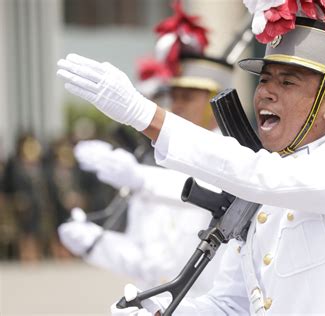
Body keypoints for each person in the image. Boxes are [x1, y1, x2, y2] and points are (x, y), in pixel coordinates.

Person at [57, 1, 325, 314]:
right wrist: (159, 310)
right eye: (264, 80)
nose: (266, 91)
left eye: (288, 82)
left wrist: (147, 116)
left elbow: (266, 177)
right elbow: (230, 305)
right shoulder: (258, 189)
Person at [58, 3, 235, 292]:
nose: (176, 105)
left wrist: (140, 179)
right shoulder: (161, 157)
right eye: (173, 95)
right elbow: (151, 263)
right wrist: (97, 244)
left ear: (216, 100)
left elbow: (208, 187)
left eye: (187, 97)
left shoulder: (234, 149)